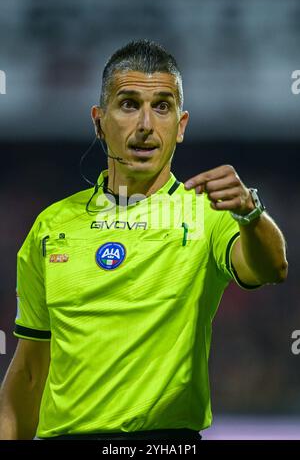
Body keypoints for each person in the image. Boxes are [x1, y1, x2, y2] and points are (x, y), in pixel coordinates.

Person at [0, 39, 288, 441]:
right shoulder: (51, 226)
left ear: (181, 125)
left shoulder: (209, 214)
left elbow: (272, 268)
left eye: (163, 106)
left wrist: (250, 213)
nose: (146, 126)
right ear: (99, 121)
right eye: (129, 104)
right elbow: (30, 374)